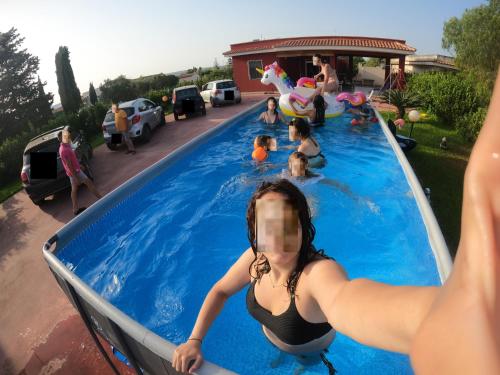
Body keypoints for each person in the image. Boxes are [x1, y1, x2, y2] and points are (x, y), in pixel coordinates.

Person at [172, 71, 500, 375]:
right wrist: (195, 340)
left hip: (314, 353)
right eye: (268, 223)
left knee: (308, 363)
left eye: (289, 220)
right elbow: (218, 290)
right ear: (255, 234)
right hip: (272, 338)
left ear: (303, 225)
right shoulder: (256, 259)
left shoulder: (316, 276)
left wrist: (440, 319)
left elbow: (348, 301)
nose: (279, 233)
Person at [58, 129, 102, 215]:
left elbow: (72, 160)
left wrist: (79, 165)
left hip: (75, 171)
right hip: (75, 172)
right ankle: (100, 198)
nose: (68, 136)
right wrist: (76, 177)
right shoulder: (64, 150)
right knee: (88, 183)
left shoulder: (65, 146)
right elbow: (69, 165)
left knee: (74, 189)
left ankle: (75, 209)